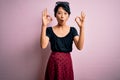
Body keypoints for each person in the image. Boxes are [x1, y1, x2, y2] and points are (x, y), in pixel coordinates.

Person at [40, 1, 85, 80]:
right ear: (55, 15)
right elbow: (43, 45)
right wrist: (44, 26)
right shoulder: (49, 30)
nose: (62, 16)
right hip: (53, 64)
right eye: (59, 13)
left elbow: (80, 47)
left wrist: (82, 28)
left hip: (66, 64)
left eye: (65, 13)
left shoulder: (72, 30)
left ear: (68, 15)